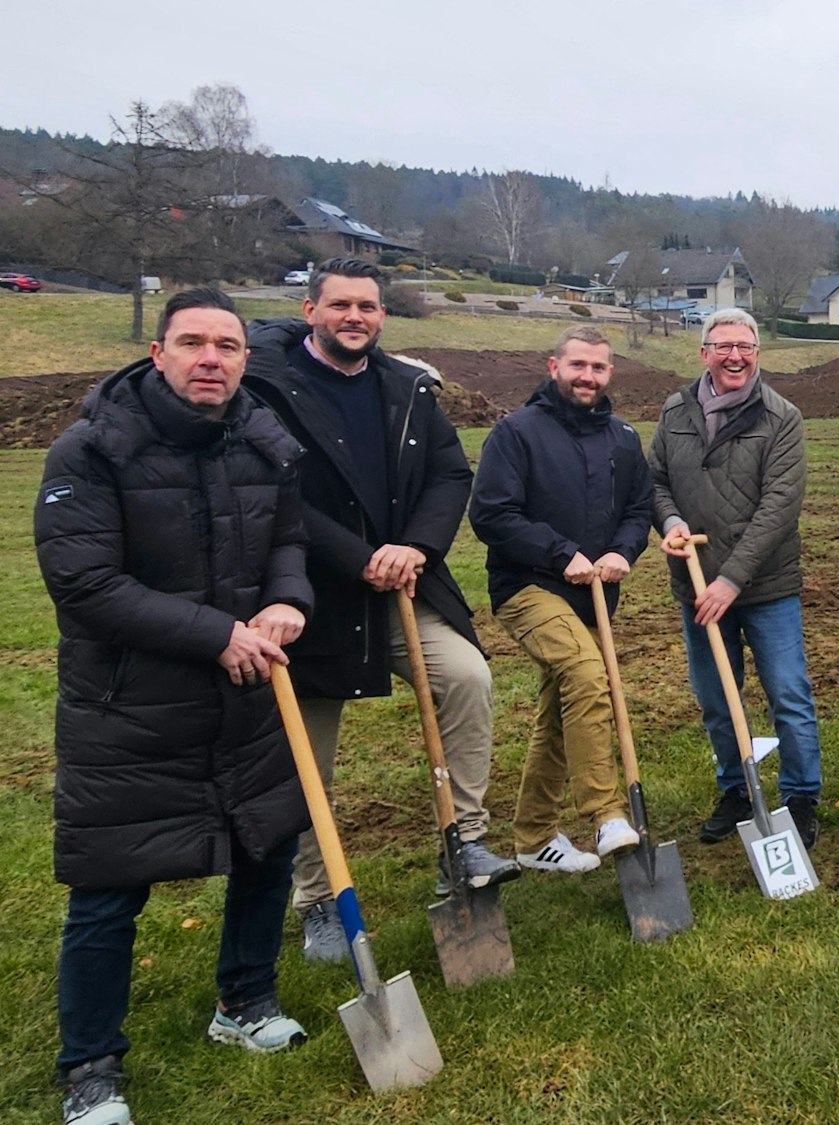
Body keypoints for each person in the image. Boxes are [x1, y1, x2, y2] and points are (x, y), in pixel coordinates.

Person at [38, 289, 315, 1125]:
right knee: (111, 882)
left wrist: (287, 601)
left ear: (245, 358)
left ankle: (246, 1001)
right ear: (158, 353)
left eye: (227, 345)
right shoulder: (91, 449)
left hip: (245, 691)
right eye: (192, 343)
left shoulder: (264, 440)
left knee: (264, 847)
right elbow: (84, 584)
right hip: (131, 705)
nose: (211, 359)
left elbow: (289, 541)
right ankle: (91, 1065)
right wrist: (215, 633)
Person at [243, 256, 516, 965]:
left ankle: (463, 843)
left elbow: (451, 471)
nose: (354, 317)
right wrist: (355, 556)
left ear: (382, 315)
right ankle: (318, 898)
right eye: (340, 305)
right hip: (306, 596)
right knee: (308, 758)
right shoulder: (269, 390)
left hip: (403, 586)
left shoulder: (406, 386)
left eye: (366, 306)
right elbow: (274, 491)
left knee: (466, 676)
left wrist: (416, 547)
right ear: (311, 311)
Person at [470, 326, 653, 873]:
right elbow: (492, 514)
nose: (587, 376)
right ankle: (606, 814)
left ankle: (533, 839)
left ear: (609, 373)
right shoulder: (516, 433)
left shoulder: (622, 437)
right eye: (577, 366)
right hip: (529, 588)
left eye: (598, 368)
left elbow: (639, 509)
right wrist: (560, 553)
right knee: (587, 676)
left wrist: (623, 551)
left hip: (593, 595)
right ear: (553, 366)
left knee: (561, 712)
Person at [649, 309, 824, 848]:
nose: (735, 356)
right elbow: (653, 480)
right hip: (697, 584)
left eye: (745, 346)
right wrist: (672, 520)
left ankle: (800, 796)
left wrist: (732, 580)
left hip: (764, 585)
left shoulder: (781, 417)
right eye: (723, 346)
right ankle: (737, 789)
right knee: (716, 697)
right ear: (703, 354)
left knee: (788, 693)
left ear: (757, 354)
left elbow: (779, 506)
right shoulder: (675, 411)